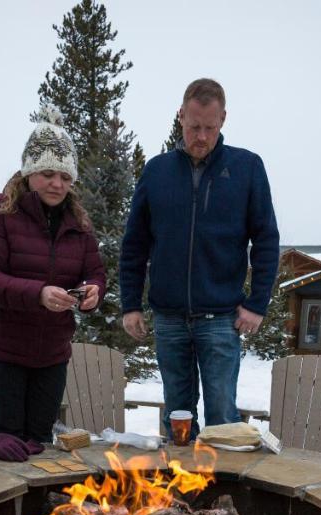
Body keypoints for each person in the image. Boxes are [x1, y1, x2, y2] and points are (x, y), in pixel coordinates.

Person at [119, 78, 279, 439]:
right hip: (169, 319)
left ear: (223, 119)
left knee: (222, 419)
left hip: (221, 320)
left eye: (209, 127)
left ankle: (220, 496)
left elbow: (266, 240)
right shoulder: (156, 171)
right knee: (177, 417)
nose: (201, 137)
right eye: (194, 127)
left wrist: (257, 304)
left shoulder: (247, 167)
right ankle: (176, 495)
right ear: (180, 118)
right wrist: (131, 304)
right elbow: (135, 244)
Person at [0, 108, 104, 461]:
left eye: (65, 176)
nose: (58, 184)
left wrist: (92, 291)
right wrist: (37, 294)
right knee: (8, 446)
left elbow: (94, 271)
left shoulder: (79, 224)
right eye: (47, 174)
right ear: (29, 173)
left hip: (51, 353)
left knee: (40, 445)